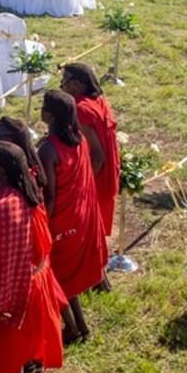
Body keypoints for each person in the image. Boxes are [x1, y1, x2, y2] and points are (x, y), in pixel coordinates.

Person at [0, 142, 66, 373]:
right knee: (13, 357)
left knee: (1, 360)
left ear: (1, 170)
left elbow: (6, 261)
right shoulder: (16, 192)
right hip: (26, 285)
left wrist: (0, 307)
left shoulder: (5, 207)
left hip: (14, 291)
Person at [37, 90, 107, 344]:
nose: (40, 112)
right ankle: (80, 325)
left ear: (50, 115)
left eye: (43, 108)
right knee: (67, 278)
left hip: (60, 221)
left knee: (57, 277)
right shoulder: (78, 140)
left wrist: (41, 228)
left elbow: (50, 195)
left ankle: (74, 328)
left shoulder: (48, 151)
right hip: (79, 216)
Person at [60, 63, 119, 255]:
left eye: (64, 81)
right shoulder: (99, 99)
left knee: (92, 223)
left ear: (77, 85)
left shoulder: (80, 109)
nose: (61, 85)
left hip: (97, 174)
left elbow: (98, 155)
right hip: (109, 168)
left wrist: (85, 186)